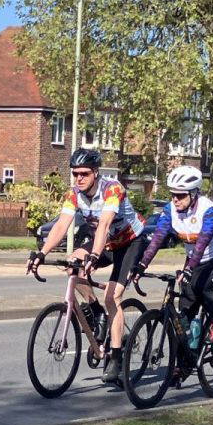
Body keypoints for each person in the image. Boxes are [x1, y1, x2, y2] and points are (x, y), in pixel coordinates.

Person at [27, 148, 146, 385]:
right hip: (106, 242)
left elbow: (104, 225)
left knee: (113, 297)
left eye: (84, 174)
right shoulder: (73, 194)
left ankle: (116, 357)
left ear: (96, 173)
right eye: (75, 174)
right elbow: (61, 226)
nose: (79, 178)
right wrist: (41, 253)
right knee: (72, 264)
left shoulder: (112, 189)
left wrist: (94, 255)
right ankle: (96, 311)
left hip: (129, 242)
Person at [130, 165, 213, 361]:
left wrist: (189, 269)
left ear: (194, 194)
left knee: (204, 286)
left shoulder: (209, 210)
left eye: (180, 195)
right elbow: (157, 239)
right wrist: (141, 265)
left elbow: (202, 243)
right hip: (195, 262)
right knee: (183, 317)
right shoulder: (170, 210)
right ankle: (184, 363)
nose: (175, 199)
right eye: (173, 195)